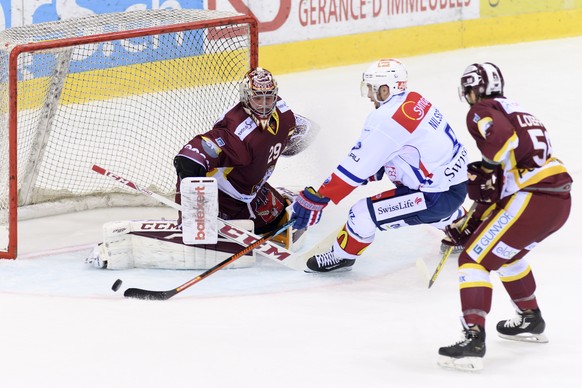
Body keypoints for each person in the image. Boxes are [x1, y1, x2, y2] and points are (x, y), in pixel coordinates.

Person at [87, 67, 315, 270]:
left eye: (269, 97)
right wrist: (198, 212)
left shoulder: (284, 113)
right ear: (246, 98)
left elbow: (303, 132)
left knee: (282, 223)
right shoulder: (235, 131)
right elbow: (188, 159)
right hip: (223, 199)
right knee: (205, 236)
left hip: (253, 193)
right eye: (258, 99)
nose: (265, 105)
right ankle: (176, 230)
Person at [437, 62, 573, 371]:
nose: (467, 96)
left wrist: (485, 167)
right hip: (556, 201)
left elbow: (501, 137)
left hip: (533, 197)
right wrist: (472, 222)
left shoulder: (481, 110)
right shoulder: (518, 109)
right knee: (505, 255)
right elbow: (502, 180)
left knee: (472, 261)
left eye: (468, 89)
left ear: (474, 89)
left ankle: (473, 338)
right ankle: (530, 318)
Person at [290, 58, 469, 273]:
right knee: (424, 202)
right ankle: (462, 226)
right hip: (456, 185)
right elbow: (402, 153)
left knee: (362, 213)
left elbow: (358, 165)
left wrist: (321, 196)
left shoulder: (387, 119)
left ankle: (341, 257)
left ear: (386, 89)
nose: (368, 95)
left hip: (435, 197)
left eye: (372, 89)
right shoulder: (414, 100)